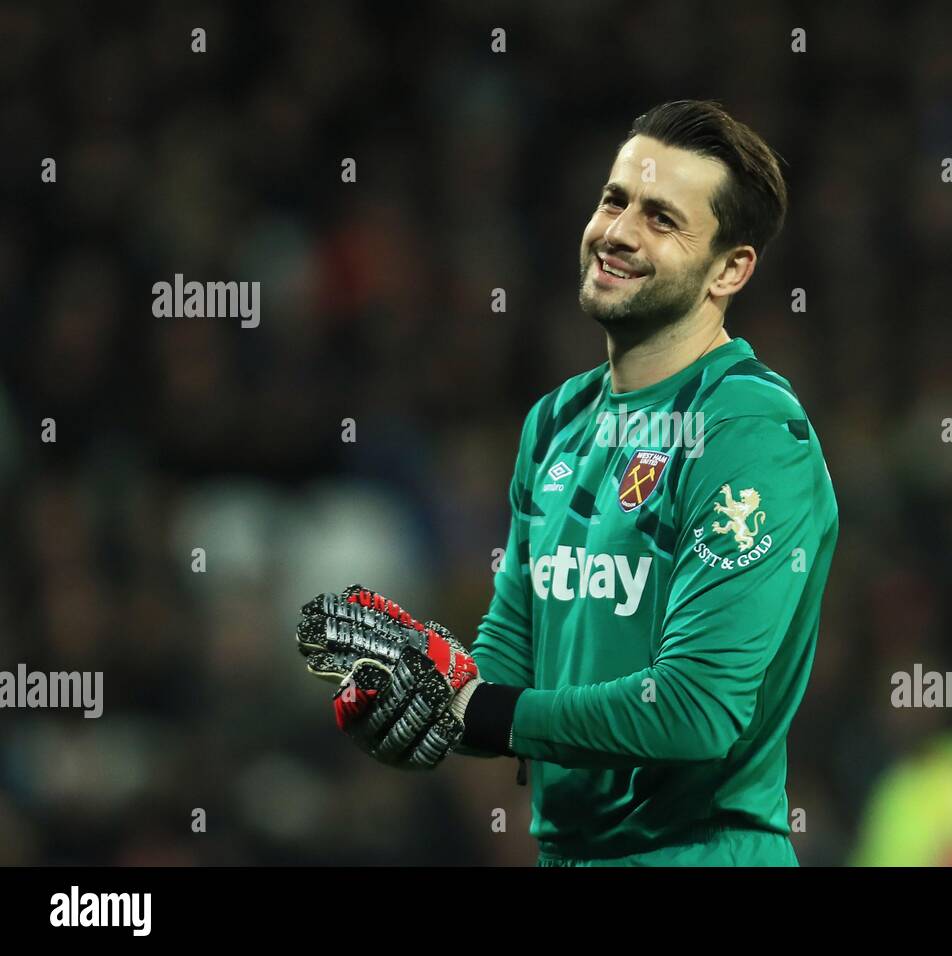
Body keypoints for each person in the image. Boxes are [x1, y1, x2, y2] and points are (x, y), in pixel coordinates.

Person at [299, 100, 839, 866]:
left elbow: (696, 710)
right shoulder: (557, 421)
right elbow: (514, 668)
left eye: (662, 219)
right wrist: (425, 687)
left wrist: (476, 710)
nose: (617, 232)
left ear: (731, 268)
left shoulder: (748, 435)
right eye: (615, 200)